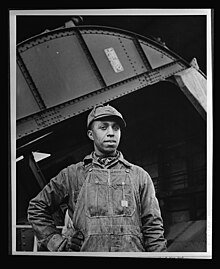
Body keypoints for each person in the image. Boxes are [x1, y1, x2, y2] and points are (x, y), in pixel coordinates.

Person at [28, 104, 167, 252]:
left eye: (116, 128)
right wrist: (56, 242)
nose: (111, 133)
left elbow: (153, 226)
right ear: (90, 134)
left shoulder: (139, 176)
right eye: (103, 127)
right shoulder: (72, 175)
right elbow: (37, 207)